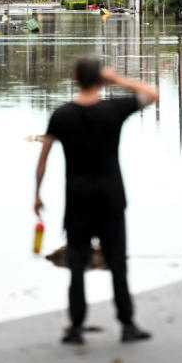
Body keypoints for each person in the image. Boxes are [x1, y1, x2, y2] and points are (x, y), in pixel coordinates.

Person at [34, 57, 158, 345]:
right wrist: (116, 79)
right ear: (100, 79)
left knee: (76, 263)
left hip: (77, 198)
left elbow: (43, 159)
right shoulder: (113, 109)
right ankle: (127, 325)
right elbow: (152, 94)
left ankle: (76, 328)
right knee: (117, 262)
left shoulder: (62, 115)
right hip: (111, 198)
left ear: (74, 77)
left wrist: (37, 194)